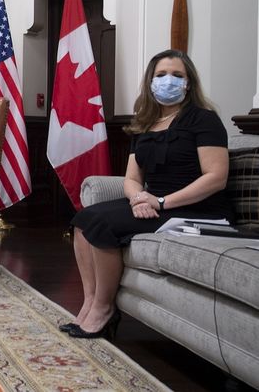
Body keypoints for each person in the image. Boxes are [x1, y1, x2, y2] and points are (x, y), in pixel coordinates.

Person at [66, 49, 231, 339]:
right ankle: (90, 302)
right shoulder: (144, 123)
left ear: (189, 83)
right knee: (83, 219)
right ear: (151, 82)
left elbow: (216, 178)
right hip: (153, 202)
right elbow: (132, 178)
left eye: (177, 75)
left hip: (196, 208)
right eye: (161, 75)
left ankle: (105, 308)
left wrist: (161, 201)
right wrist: (137, 199)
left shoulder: (204, 119)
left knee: (102, 225)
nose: (169, 80)